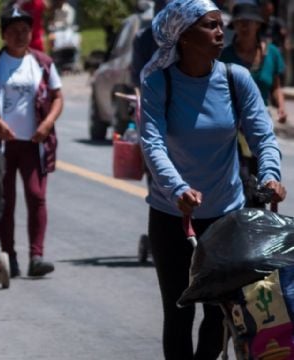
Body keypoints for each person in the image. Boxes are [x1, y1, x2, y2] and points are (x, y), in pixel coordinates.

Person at [139, 1, 286, 359]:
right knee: (179, 311)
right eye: (210, 26)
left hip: (225, 217)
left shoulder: (236, 79)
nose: (222, 32)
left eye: (222, 25)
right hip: (172, 216)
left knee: (221, 313)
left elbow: (263, 136)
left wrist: (270, 175)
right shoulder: (160, 84)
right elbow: (152, 143)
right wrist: (177, 190)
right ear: (185, 36)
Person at [0, 6, 63, 278]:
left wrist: (47, 124)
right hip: (2, 144)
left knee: (36, 196)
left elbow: (57, 97)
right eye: (13, 31)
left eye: (25, 30)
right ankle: (9, 256)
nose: (20, 36)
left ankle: (36, 256)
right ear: (3, 34)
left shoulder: (43, 62)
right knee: (6, 201)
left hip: (34, 144)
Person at [220, 2, 286, 124]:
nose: (244, 26)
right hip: (231, 122)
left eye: (249, 21)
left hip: (262, 120)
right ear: (233, 25)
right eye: (239, 22)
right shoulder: (224, 57)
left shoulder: (272, 53)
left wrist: (281, 107)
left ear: (258, 25)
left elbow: (276, 87)